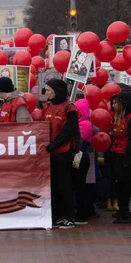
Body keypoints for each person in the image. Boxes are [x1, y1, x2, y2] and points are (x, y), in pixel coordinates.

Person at [42, 79, 80, 229]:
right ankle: (57, 216)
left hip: (64, 152)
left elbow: (69, 130)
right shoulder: (49, 107)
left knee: (65, 185)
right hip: (51, 152)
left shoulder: (69, 108)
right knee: (55, 186)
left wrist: (55, 144)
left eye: (48, 90)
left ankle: (69, 216)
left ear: (57, 91)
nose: (46, 93)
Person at [109, 92, 131, 224]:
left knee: (130, 185)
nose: (114, 105)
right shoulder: (118, 117)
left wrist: (127, 160)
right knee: (120, 185)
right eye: (113, 102)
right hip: (117, 154)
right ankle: (123, 211)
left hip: (129, 157)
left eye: (116, 102)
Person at [72, 95, 93, 224]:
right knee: (77, 185)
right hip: (80, 157)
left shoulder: (85, 125)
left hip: (81, 157)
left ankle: (82, 213)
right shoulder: (82, 123)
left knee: (80, 186)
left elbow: (78, 140)